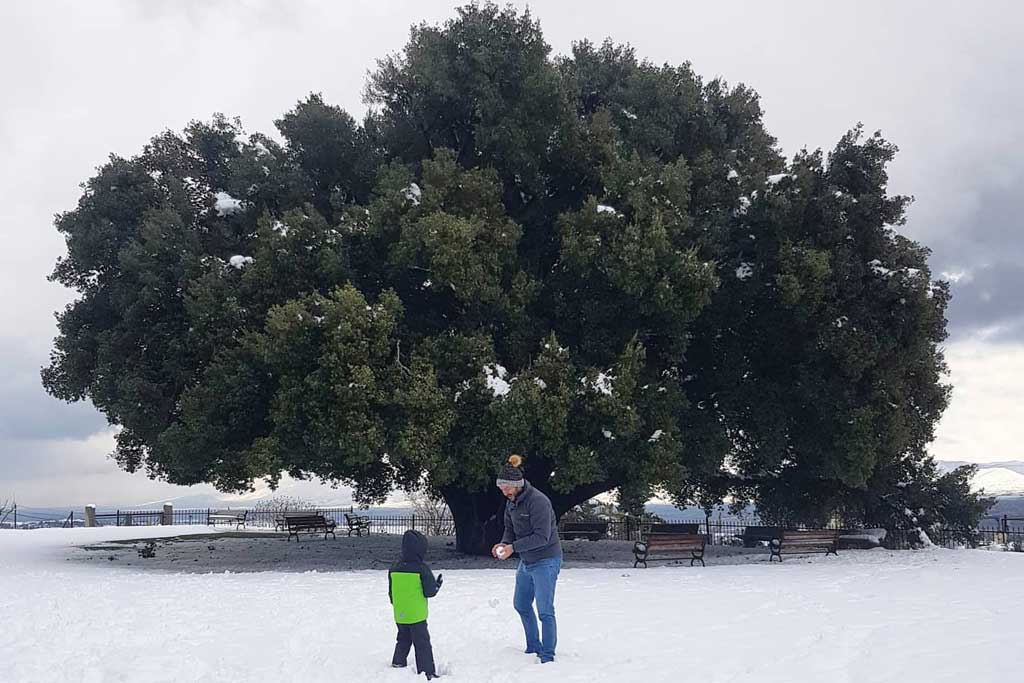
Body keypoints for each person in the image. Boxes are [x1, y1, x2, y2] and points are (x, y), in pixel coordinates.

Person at [491, 454, 563, 664]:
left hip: (546, 559)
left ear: (517, 485)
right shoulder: (511, 502)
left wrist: (513, 548)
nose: (503, 492)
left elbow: (542, 537)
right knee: (521, 604)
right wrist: (504, 544)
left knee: (545, 610)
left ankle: (547, 656)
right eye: (501, 487)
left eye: (507, 488)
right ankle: (533, 646)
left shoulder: (538, 502)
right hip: (527, 561)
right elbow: (509, 529)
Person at [389, 529, 444, 679]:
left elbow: (391, 592)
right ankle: (427, 671)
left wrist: (396, 604)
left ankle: (398, 662)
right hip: (417, 614)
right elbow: (429, 592)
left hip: (400, 613)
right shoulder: (421, 569)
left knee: (403, 638)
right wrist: (437, 585)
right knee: (422, 643)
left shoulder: (394, 568)